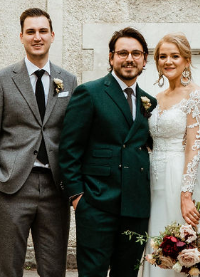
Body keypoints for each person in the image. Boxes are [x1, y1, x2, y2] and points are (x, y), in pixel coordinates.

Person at [0, 8, 78, 277]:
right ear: (21, 36)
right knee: (9, 268)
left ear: (52, 35)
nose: (37, 37)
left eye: (43, 31)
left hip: (55, 187)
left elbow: (72, 135)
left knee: (54, 268)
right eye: (31, 32)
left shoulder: (68, 80)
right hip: (11, 187)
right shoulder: (2, 79)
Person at [58, 27, 156, 277]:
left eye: (136, 53)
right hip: (97, 203)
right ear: (111, 58)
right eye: (122, 53)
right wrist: (77, 197)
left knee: (127, 274)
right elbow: (69, 149)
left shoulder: (149, 101)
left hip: (135, 206)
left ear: (145, 60)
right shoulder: (89, 93)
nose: (129, 58)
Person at [145, 33, 200, 277]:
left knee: (185, 252)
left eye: (174, 56)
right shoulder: (154, 99)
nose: (168, 61)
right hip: (153, 178)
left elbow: (193, 148)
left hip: (180, 178)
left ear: (187, 60)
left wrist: (186, 195)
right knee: (159, 247)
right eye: (162, 56)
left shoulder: (196, 96)